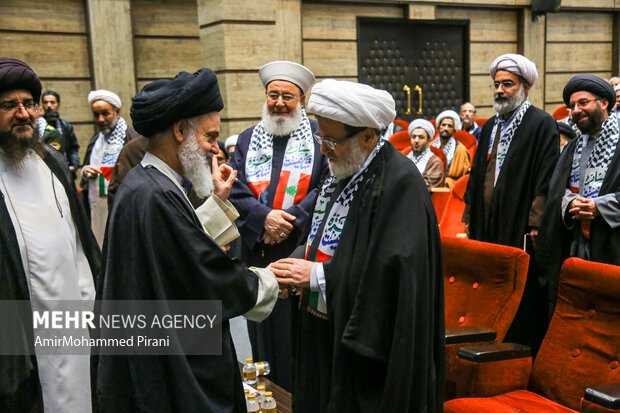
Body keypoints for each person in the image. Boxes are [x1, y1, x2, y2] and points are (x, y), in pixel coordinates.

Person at [97, 68, 279, 412]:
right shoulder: (154, 194)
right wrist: (269, 280)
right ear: (180, 130)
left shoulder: (147, 183)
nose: (214, 149)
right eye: (210, 137)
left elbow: (177, 244)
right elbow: (202, 272)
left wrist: (219, 202)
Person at [272, 79, 444, 412]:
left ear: (368, 135)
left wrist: (321, 276)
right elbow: (320, 235)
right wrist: (292, 268)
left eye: (332, 139)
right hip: (322, 321)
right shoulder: (344, 166)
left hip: (367, 346)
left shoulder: (399, 181)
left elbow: (393, 275)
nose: (324, 149)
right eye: (321, 137)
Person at [0, 58, 99, 413]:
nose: (23, 113)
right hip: (22, 339)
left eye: (29, 104)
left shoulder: (53, 162)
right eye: (9, 106)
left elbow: (82, 245)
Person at [228, 61, 328, 390]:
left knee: (296, 339)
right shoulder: (246, 139)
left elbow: (327, 186)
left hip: (298, 250)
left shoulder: (318, 137)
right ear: (265, 97)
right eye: (274, 95)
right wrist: (263, 218)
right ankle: (266, 395)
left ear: (302, 99)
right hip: (256, 251)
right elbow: (235, 187)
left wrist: (291, 219)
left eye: (288, 96)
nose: (280, 103)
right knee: (261, 332)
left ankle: (295, 399)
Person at [462, 53, 559, 352]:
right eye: (496, 85)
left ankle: (518, 351)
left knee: (520, 291)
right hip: (487, 222)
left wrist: (535, 224)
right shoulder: (491, 125)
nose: (500, 90)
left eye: (508, 84)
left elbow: (546, 178)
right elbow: (478, 172)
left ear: (526, 87)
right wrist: (469, 215)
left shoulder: (541, 123)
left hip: (519, 224)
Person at [538, 74, 620, 318]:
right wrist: (570, 202)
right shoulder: (574, 146)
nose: (576, 110)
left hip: (612, 242)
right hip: (576, 240)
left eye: (583, 103)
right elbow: (556, 189)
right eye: (572, 106)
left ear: (604, 103)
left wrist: (600, 206)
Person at [79, 90, 138, 243]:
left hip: (122, 205)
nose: (101, 119)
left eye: (105, 113)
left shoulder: (130, 138)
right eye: (96, 115)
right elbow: (86, 166)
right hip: (98, 205)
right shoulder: (96, 139)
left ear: (117, 112)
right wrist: (85, 171)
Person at [38, 90, 81, 173]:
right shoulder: (38, 126)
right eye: (46, 102)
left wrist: (74, 165)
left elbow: (73, 148)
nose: (49, 105)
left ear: (58, 105)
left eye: (52, 102)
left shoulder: (66, 126)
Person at [432, 109, 470, 188]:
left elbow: (461, 175)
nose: (445, 128)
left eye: (449, 126)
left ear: (454, 130)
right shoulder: (431, 146)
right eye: (443, 125)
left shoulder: (460, 149)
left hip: (450, 185)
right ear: (438, 127)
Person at [407, 118, 445, 189]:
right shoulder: (404, 159)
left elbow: (424, 185)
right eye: (414, 137)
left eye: (421, 137)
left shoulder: (435, 162)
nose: (416, 140)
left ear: (429, 140)